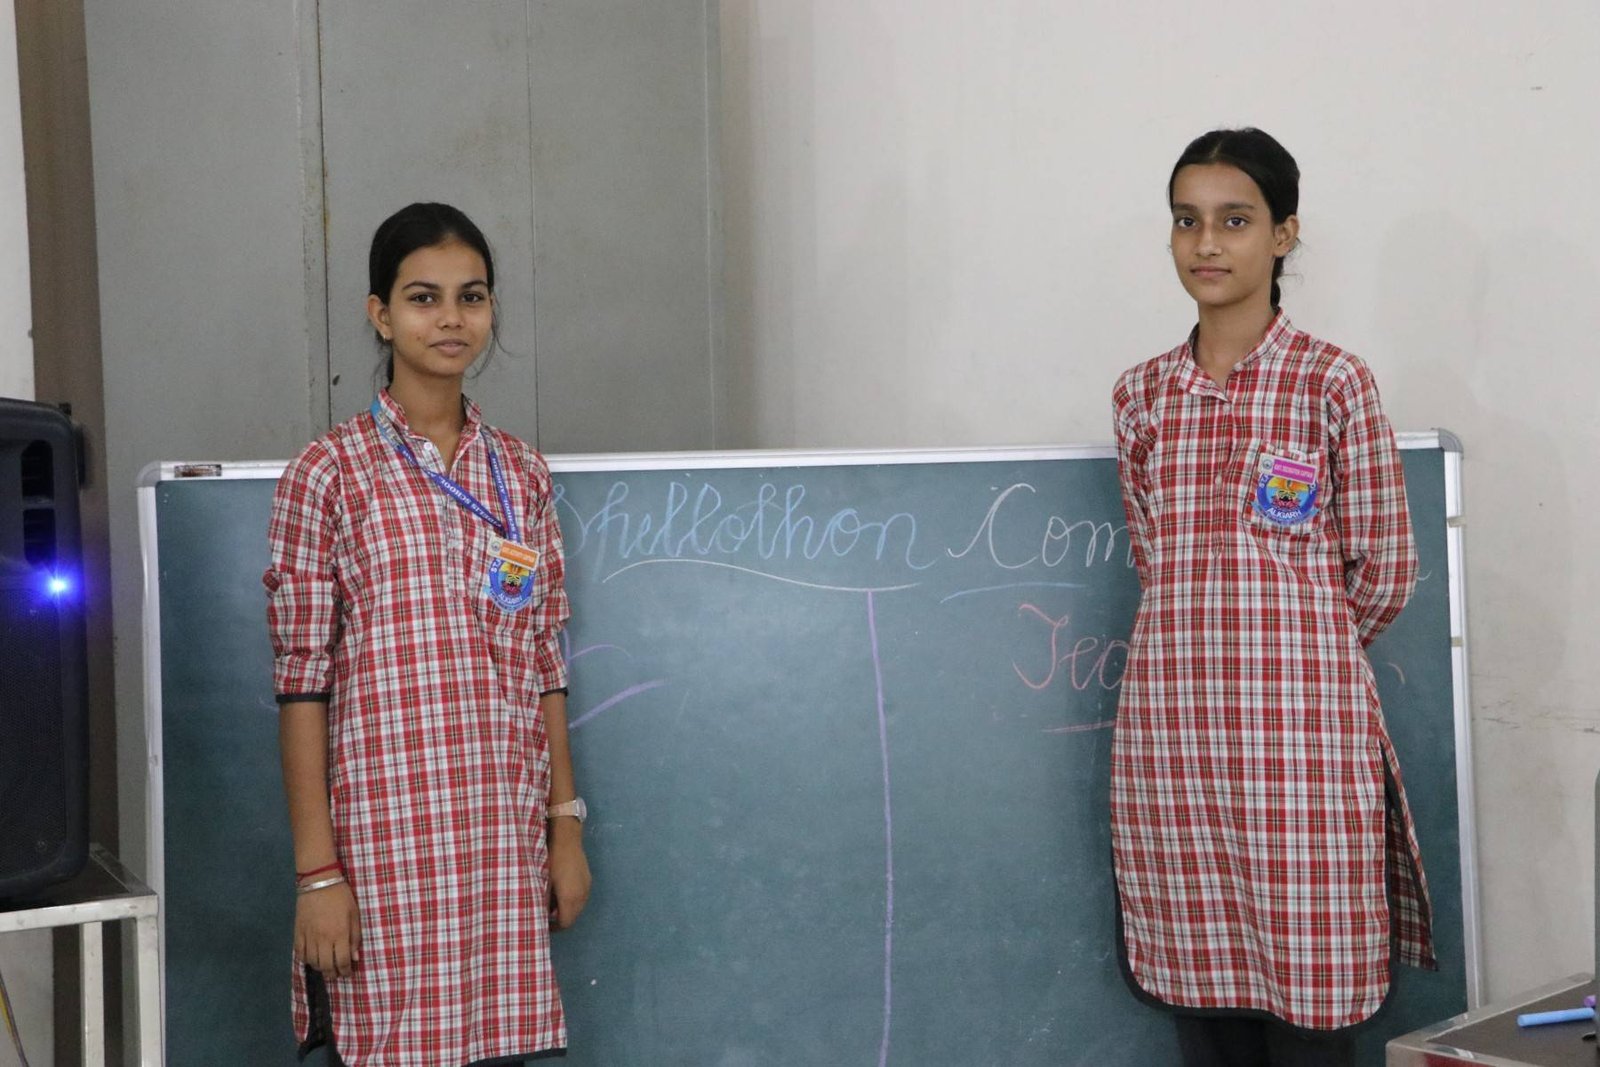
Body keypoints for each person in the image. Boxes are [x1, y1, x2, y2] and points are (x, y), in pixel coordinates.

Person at [1109, 129, 1435, 1067]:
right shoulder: (1142, 397)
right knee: (1205, 1010)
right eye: (1187, 221)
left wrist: (1297, 656)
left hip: (1301, 751)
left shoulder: (1332, 381)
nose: (1206, 243)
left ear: (1284, 234)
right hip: (1174, 752)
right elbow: (1155, 560)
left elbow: (1382, 570)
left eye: (1235, 220)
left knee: (1312, 1005)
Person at [265, 202, 591, 1066]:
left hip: (500, 844)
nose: (450, 318)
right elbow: (301, 683)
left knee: (496, 1044)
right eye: (423, 297)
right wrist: (318, 875)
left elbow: (543, 658)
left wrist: (565, 828)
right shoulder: (329, 472)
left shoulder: (521, 473)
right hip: (384, 850)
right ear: (381, 314)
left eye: (470, 297)